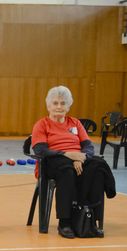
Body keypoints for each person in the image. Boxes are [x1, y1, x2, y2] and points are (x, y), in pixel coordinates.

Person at [29, 86, 95, 239]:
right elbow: (41, 151)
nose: (59, 107)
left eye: (63, 103)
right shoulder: (41, 124)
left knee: (97, 168)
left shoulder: (75, 123)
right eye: (55, 103)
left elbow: (88, 146)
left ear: (68, 106)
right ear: (49, 106)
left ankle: (90, 221)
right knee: (67, 171)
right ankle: (65, 223)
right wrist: (69, 155)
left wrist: (81, 157)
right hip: (51, 164)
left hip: (78, 160)